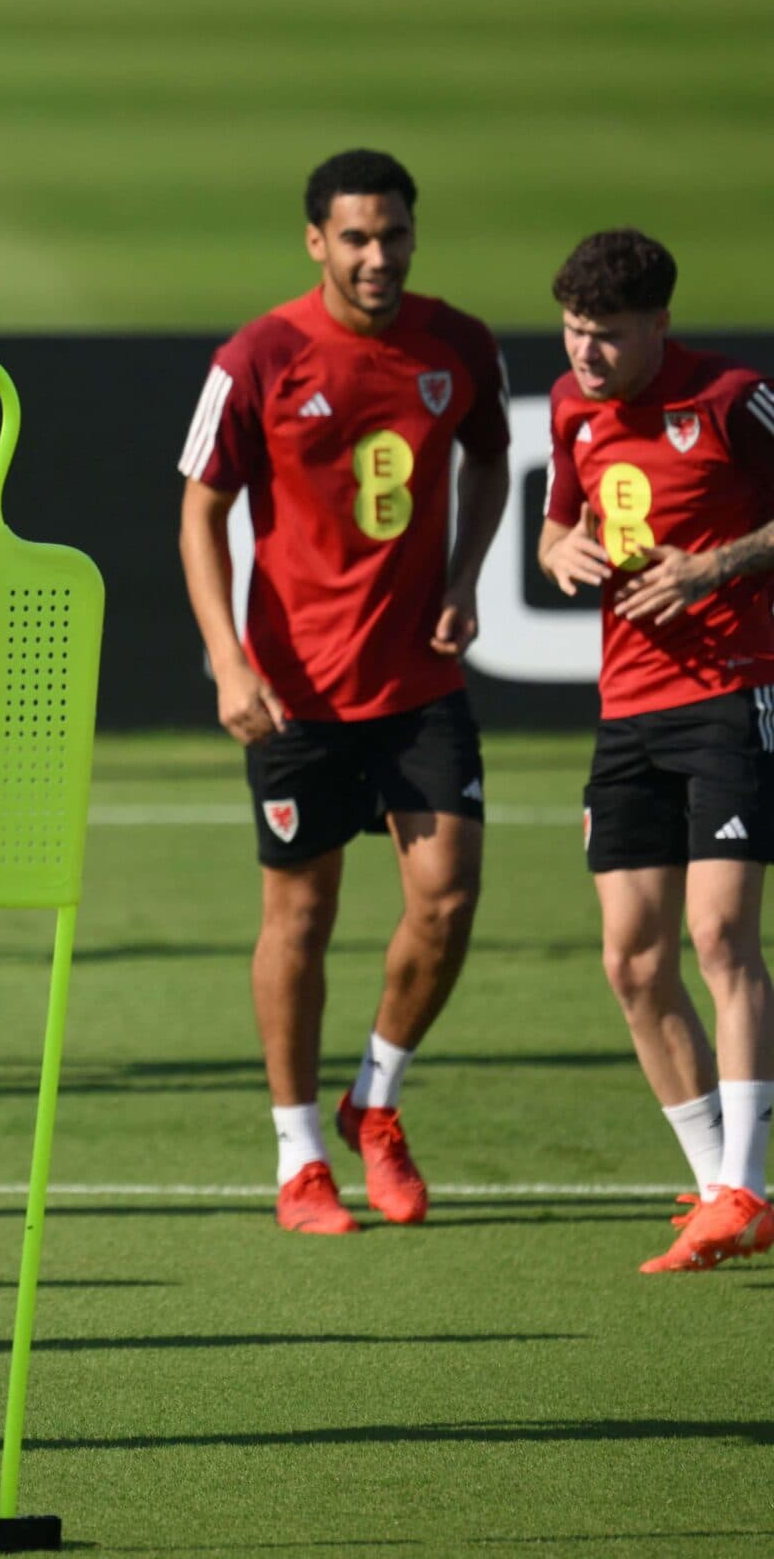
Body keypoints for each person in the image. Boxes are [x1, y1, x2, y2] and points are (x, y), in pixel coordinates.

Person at [175, 149, 509, 1234]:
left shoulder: (458, 344)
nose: (378, 256)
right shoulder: (258, 355)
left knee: (447, 898)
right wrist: (228, 659)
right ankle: (300, 1155)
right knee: (301, 916)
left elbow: (492, 459)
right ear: (315, 240)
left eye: (394, 235)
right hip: (296, 694)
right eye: (356, 237)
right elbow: (197, 512)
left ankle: (378, 1097)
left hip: (417, 680)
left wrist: (462, 580)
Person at [536, 229, 774, 1272]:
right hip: (628, 706)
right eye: (576, 332)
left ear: (660, 325)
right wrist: (557, 550)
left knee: (720, 936)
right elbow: (555, 523)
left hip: (732, 691)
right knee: (633, 959)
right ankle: (722, 1181)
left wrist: (713, 566)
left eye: (608, 337)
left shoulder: (731, 397)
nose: (587, 355)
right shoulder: (567, 402)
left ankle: (748, 1186)